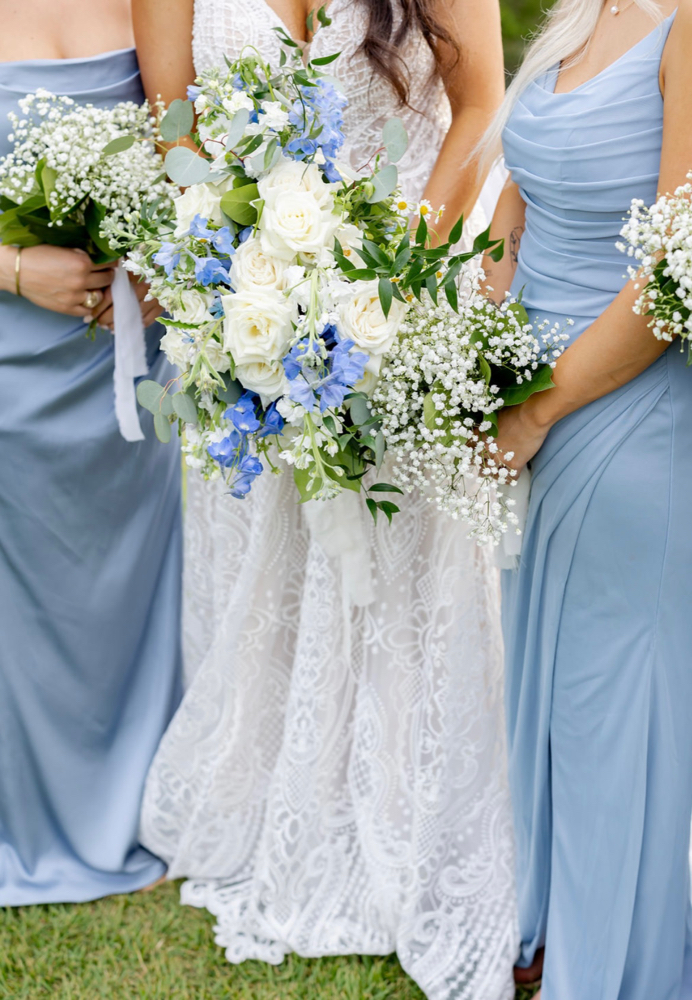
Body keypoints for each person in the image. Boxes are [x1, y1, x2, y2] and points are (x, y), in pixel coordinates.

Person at [133, 2, 517, 998]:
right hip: (256, 291)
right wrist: (216, 259)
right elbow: (171, 116)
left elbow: (480, 106)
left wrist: (380, 283)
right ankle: (273, 794)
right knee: (277, 538)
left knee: (405, 564)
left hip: (410, 272)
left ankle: (414, 801)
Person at [482, 0, 692, 996]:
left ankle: (612, 968)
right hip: (529, 396)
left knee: (612, 712)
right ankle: (554, 933)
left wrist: (533, 412)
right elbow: (522, 182)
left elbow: (669, 279)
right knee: (550, 692)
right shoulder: (582, 16)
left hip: (616, 414)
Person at [0, 0, 183, 904]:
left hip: (124, 358)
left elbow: (179, 138)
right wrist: (12, 268)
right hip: (6, 354)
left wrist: (150, 264)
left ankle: (143, 796)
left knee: (124, 584)